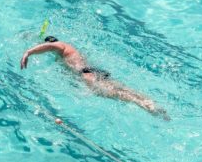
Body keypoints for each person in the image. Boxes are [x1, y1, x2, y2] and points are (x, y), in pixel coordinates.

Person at [21, 36, 170, 120]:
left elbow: (51, 47)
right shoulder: (68, 51)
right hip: (92, 71)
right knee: (120, 87)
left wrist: (28, 52)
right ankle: (147, 101)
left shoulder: (60, 45)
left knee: (111, 93)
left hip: (87, 74)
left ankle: (143, 104)